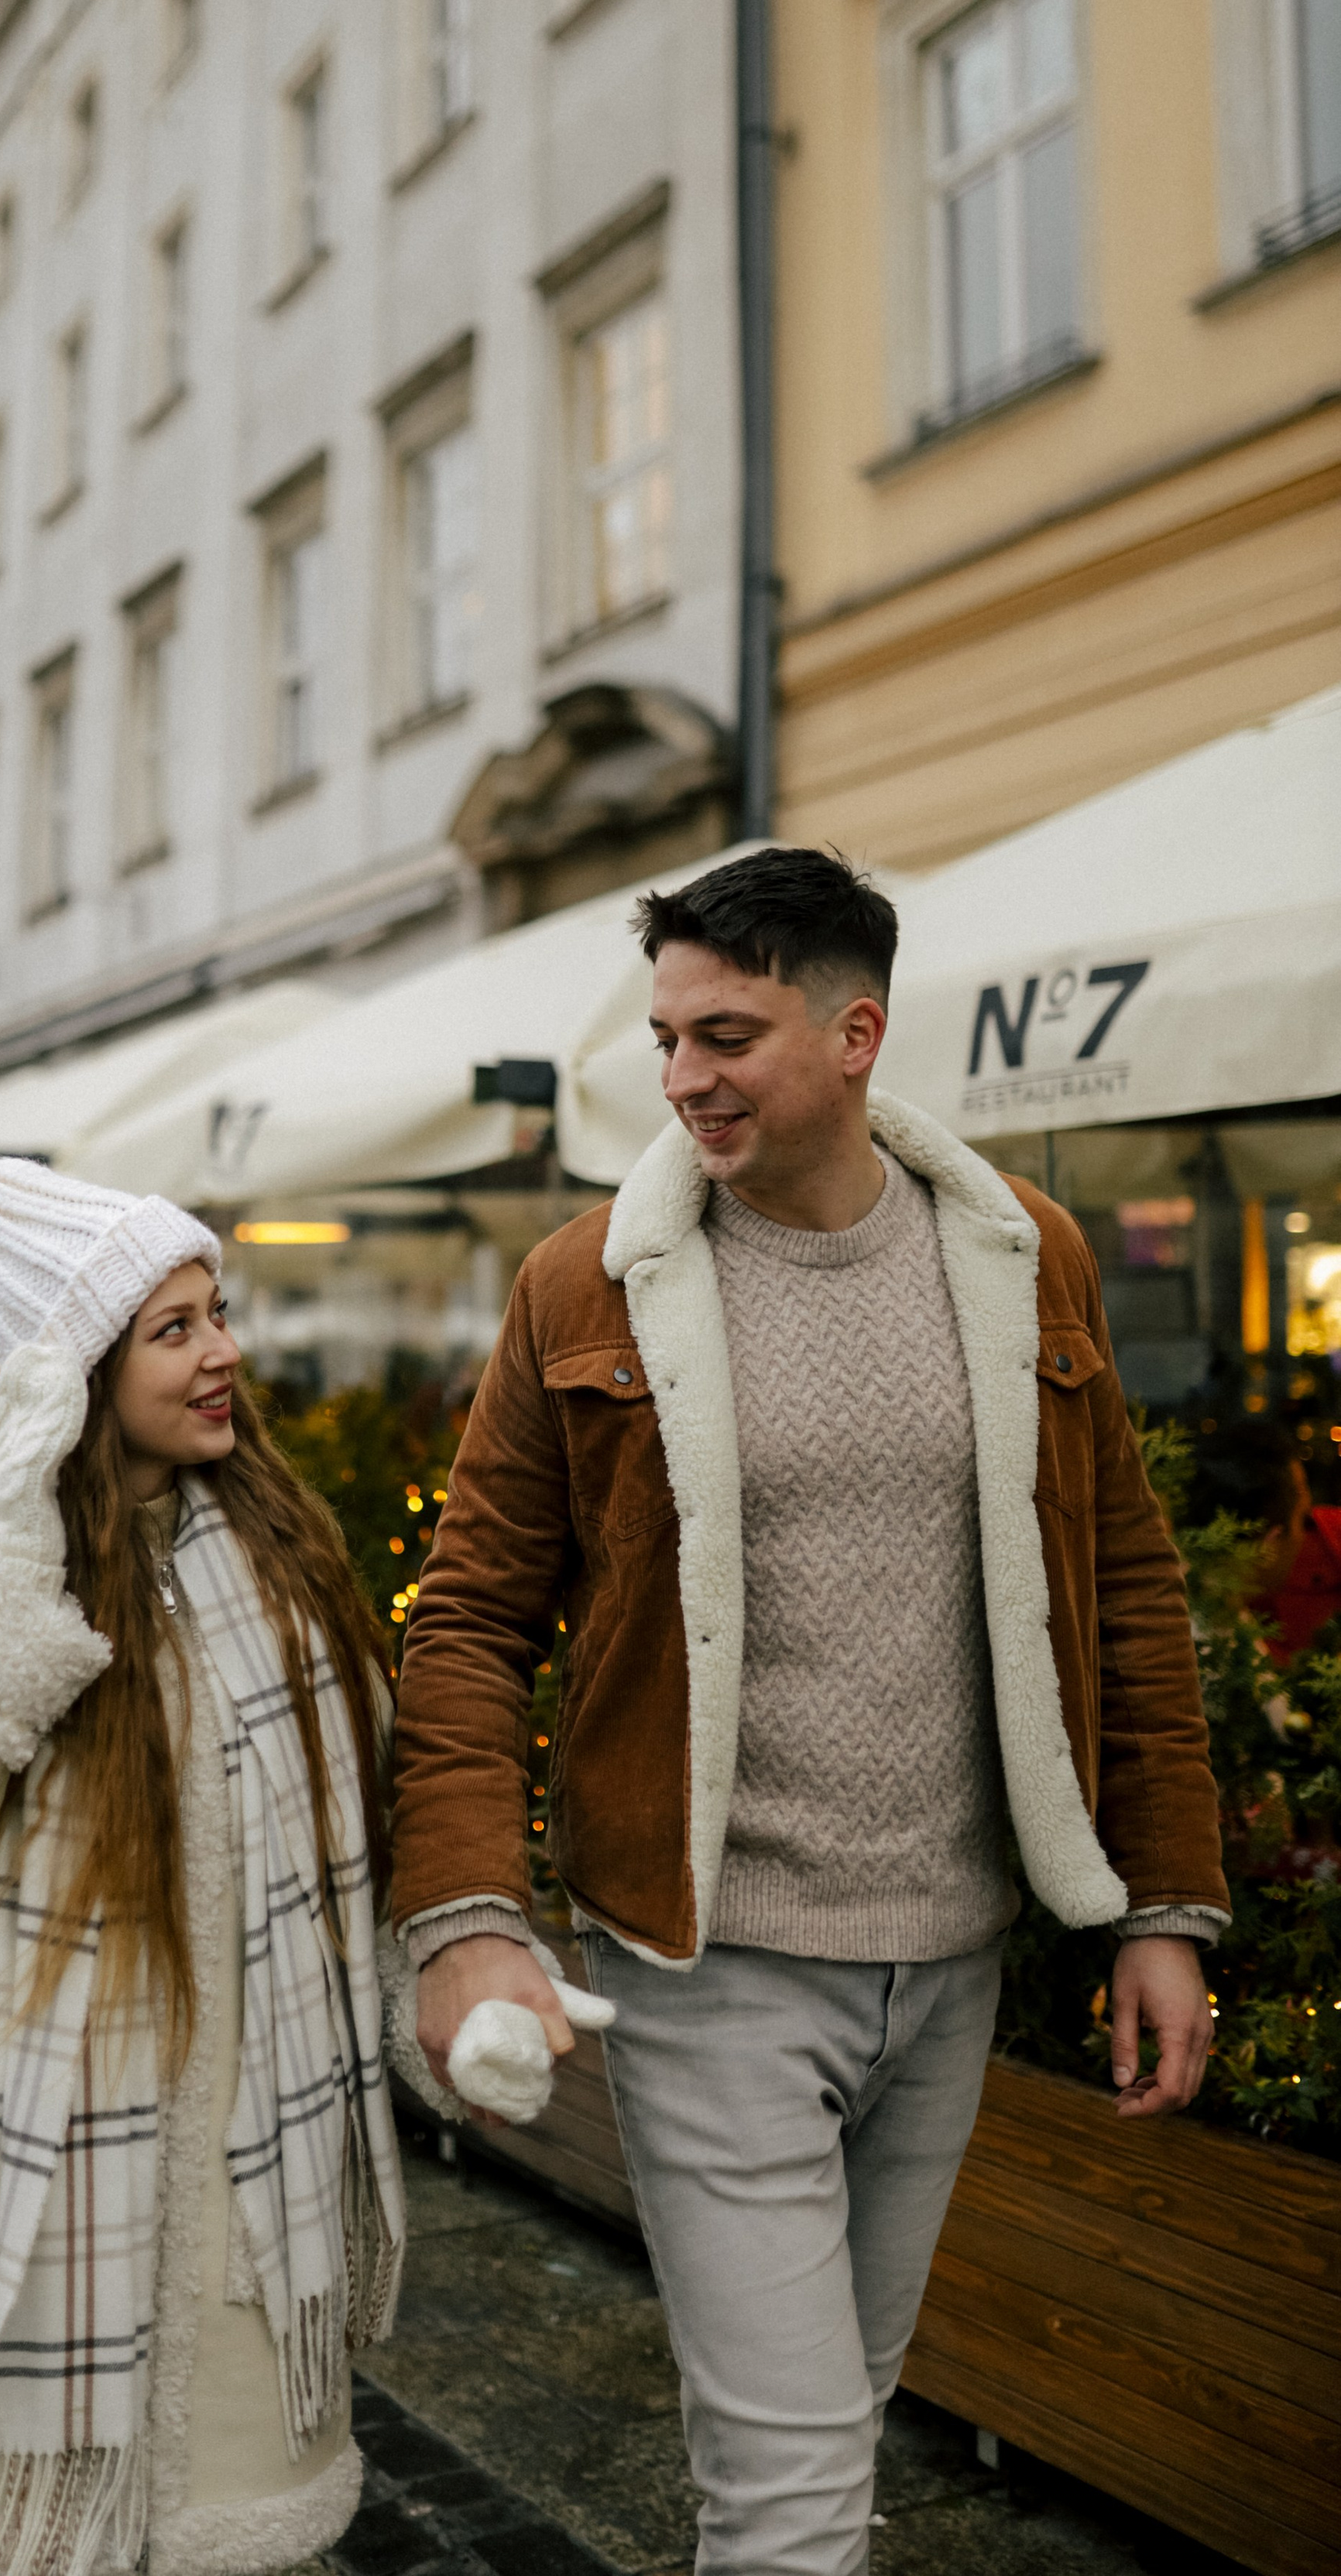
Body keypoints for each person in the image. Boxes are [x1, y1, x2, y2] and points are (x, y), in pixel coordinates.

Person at [393, 846, 1229, 2576]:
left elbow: (1126, 1592)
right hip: (708, 1967)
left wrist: (1161, 1905)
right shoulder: (583, 1285)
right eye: (665, 1039)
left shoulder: (1024, 1258)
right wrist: (465, 1918)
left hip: (954, 1955)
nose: (682, 1078)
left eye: (727, 1037)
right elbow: (466, 1625)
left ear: (855, 1036)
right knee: (791, 2500)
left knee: (839, 2424)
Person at [0, 1163, 423, 2576]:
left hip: (240, 2165)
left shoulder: (286, 1575)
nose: (223, 1354)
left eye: (218, 1314)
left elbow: (372, 1816)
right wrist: (22, 1568)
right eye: (174, 1329)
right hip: (33, 2165)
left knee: (220, 2540)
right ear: (79, 1372)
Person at [1189, 1416, 1341, 1658]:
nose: (1304, 1538)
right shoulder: (1232, 1654)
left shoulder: (1167, 1598)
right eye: (1301, 1520)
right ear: (1269, 1542)